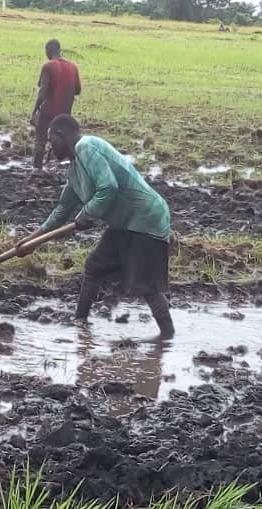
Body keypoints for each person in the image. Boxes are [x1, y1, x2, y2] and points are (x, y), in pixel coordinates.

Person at [16, 115, 175, 340]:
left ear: (62, 135)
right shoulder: (74, 171)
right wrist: (31, 240)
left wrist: (85, 215)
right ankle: (80, 324)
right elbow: (62, 210)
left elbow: (108, 187)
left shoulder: (87, 147)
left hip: (146, 219)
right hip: (123, 224)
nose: (51, 148)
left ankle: (167, 337)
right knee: (95, 267)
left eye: (52, 141)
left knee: (146, 285)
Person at [31, 39, 80, 174]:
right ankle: (76, 169)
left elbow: (43, 91)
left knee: (40, 139)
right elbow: (77, 90)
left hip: (48, 111)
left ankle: (37, 168)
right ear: (60, 50)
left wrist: (35, 111)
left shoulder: (48, 66)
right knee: (70, 141)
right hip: (65, 114)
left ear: (48, 50)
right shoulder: (73, 67)